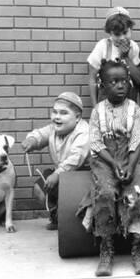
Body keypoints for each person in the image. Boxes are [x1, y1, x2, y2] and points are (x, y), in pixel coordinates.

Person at [79, 59, 140, 277]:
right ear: (103, 86)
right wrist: (114, 163)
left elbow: (137, 139)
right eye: (114, 82)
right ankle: (106, 247)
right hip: (105, 159)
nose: (120, 86)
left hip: (131, 157)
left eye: (124, 81)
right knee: (105, 194)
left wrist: (129, 164)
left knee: (136, 193)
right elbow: (96, 143)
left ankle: (137, 246)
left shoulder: (134, 109)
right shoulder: (98, 111)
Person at [22, 92, 90, 230]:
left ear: (77, 117)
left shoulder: (84, 131)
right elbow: (41, 134)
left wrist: (58, 174)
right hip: (62, 176)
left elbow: (75, 159)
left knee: (73, 198)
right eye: (54, 112)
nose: (57, 117)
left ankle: (70, 219)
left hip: (81, 178)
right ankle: (56, 216)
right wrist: (32, 140)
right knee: (40, 188)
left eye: (64, 113)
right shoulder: (54, 129)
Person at [87, 7, 140, 107]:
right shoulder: (103, 46)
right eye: (117, 34)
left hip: (129, 103)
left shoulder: (134, 47)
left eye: (125, 32)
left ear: (131, 30)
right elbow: (92, 78)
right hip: (106, 104)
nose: (122, 38)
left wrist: (126, 57)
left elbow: (139, 79)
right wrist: (95, 107)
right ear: (110, 32)